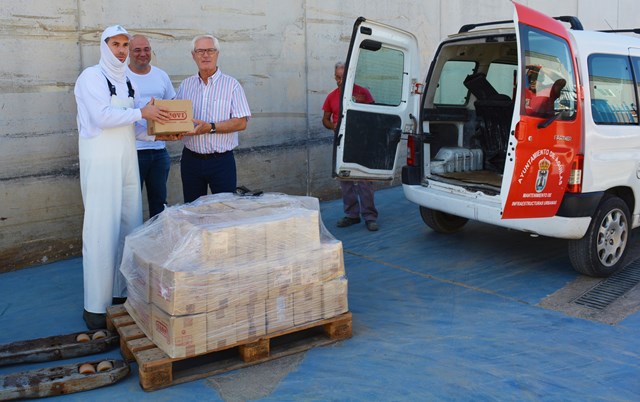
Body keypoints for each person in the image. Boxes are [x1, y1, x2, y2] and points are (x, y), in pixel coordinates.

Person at [74, 25, 170, 330]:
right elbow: (103, 117)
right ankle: (96, 308)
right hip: (101, 160)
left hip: (128, 158)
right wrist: (144, 114)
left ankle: (123, 296)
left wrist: (163, 133)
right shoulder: (91, 77)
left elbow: (136, 126)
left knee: (130, 225)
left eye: (125, 45)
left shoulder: (128, 79)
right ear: (105, 46)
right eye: (115, 44)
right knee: (101, 230)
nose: (121, 50)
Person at [176, 34, 251, 203]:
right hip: (191, 161)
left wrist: (210, 127)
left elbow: (241, 122)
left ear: (217, 53)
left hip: (221, 162)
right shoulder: (186, 85)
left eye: (210, 50)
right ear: (193, 55)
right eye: (200, 51)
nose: (205, 55)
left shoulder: (232, 85)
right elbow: (176, 118)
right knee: (193, 211)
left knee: (224, 212)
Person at [322, 61, 379, 232]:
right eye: (338, 77)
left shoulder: (363, 93)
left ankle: (369, 216)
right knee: (345, 180)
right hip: (341, 141)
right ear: (335, 77)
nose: (340, 81)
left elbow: (374, 117)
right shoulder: (331, 97)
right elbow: (325, 119)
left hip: (361, 141)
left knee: (364, 180)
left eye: (343, 77)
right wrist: (334, 127)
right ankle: (352, 215)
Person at [127, 34, 176, 218]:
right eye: (137, 50)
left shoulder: (161, 75)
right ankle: (134, 244)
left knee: (160, 203)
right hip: (133, 152)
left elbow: (172, 103)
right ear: (129, 52)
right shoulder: (122, 77)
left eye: (146, 49)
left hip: (159, 151)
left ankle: (159, 241)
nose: (143, 54)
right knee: (131, 206)